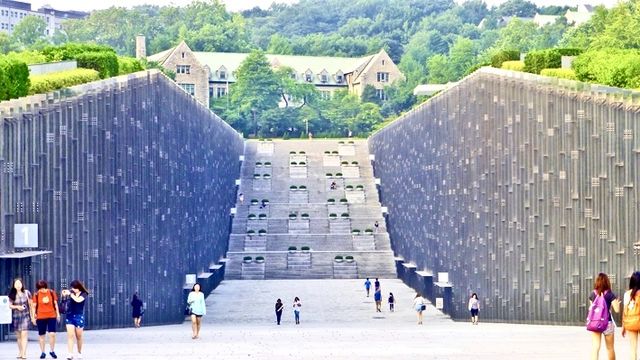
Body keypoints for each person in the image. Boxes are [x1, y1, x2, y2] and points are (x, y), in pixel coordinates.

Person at [589, 273, 620, 360]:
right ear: (607, 282)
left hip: (596, 322)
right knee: (610, 348)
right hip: (607, 323)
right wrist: (617, 303)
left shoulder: (593, 294)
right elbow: (617, 310)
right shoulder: (610, 294)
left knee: (595, 348)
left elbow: (592, 309)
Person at [32, 280, 60, 359]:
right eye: (40, 289)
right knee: (42, 335)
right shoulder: (36, 294)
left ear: (46, 287)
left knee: (52, 334)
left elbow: (55, 304)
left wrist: (57, 314)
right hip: (40, 317)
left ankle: (52, 351)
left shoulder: (51, 292)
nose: (42, 290)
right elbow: (34, 306)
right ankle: (43, 352)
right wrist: (33, 317)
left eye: (43, 288)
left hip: (51, 315)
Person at [63, 280, 89, 360]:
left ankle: (79, 352)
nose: (73, 289)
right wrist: (64, 295)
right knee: (70, 336)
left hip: (79, 316)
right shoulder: (71, 292)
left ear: (79, 287)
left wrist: (70, 294)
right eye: (72, 288)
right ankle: (70, 354)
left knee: (79, 336)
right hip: (70, 315)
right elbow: (65, 301)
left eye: (75, 288)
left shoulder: (84, 294)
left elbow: (78, 300)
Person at [9, 278, 32, 359]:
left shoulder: (27, 292)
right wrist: (17, 307)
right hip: (16, 317)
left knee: (24, 335)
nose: (18, 285)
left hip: (25, 316)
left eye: (19, 283)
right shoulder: (12, 294)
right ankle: (20, 351)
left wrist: (32, 316)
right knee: (19, 337)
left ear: (22, 284)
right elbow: (10, 305)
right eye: (16, 284)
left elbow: (31, 305)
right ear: (14, 285)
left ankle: (24, 353)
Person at [622, 271, 640, 359]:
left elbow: (625, 312)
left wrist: (623, 326)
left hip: (631, 322)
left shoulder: (627, 294)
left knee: (633, 349)